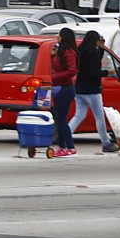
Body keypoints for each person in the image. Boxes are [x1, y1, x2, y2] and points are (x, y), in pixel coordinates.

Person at [69, 30, 120, 153]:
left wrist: (101, 50)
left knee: (79, 115)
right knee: (99, 117)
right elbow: (94, 72)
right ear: (95, 40)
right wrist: (108, 72)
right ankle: (106, 143)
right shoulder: (93, 53)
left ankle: (66, 136)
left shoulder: (80, 52)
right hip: (92, 90)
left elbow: (90, 67)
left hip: (79, 89)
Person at [51, 28, 79, 157]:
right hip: (58, 88)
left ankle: (70, 147)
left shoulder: (69, 52)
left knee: (62, 120)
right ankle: (62, 147)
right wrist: (53, 55)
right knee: (58, 119)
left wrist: (55, 78)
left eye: (59, 35)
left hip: (65, 89)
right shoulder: (60, 51)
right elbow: (57, 67)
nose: (57, 37)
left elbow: (72, 70)